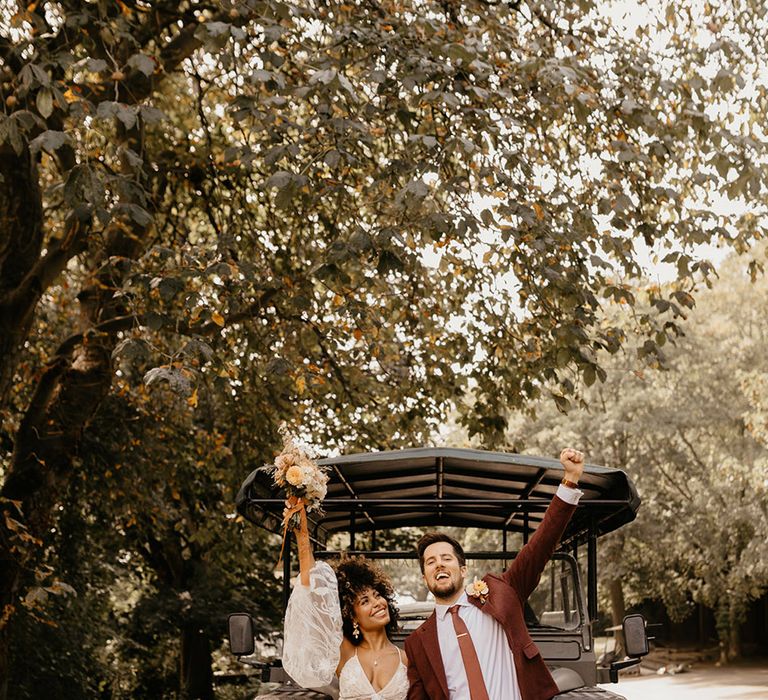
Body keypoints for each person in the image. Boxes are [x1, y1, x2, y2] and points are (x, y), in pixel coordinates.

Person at [404, 447, 585, 700]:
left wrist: (570, 480)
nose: (439, 565)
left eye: (446, 558)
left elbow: (540, 546)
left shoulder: (501, 591)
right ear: (425, 577)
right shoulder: (417, 643)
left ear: (463, 569)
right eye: (430, 562)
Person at [282, 498, 410, 700]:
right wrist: (302, 533)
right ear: (352, 615)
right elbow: (313, 596)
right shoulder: (345, 653)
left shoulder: (407, 659)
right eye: (364, 601)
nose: (377, 603)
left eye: (377, 595)